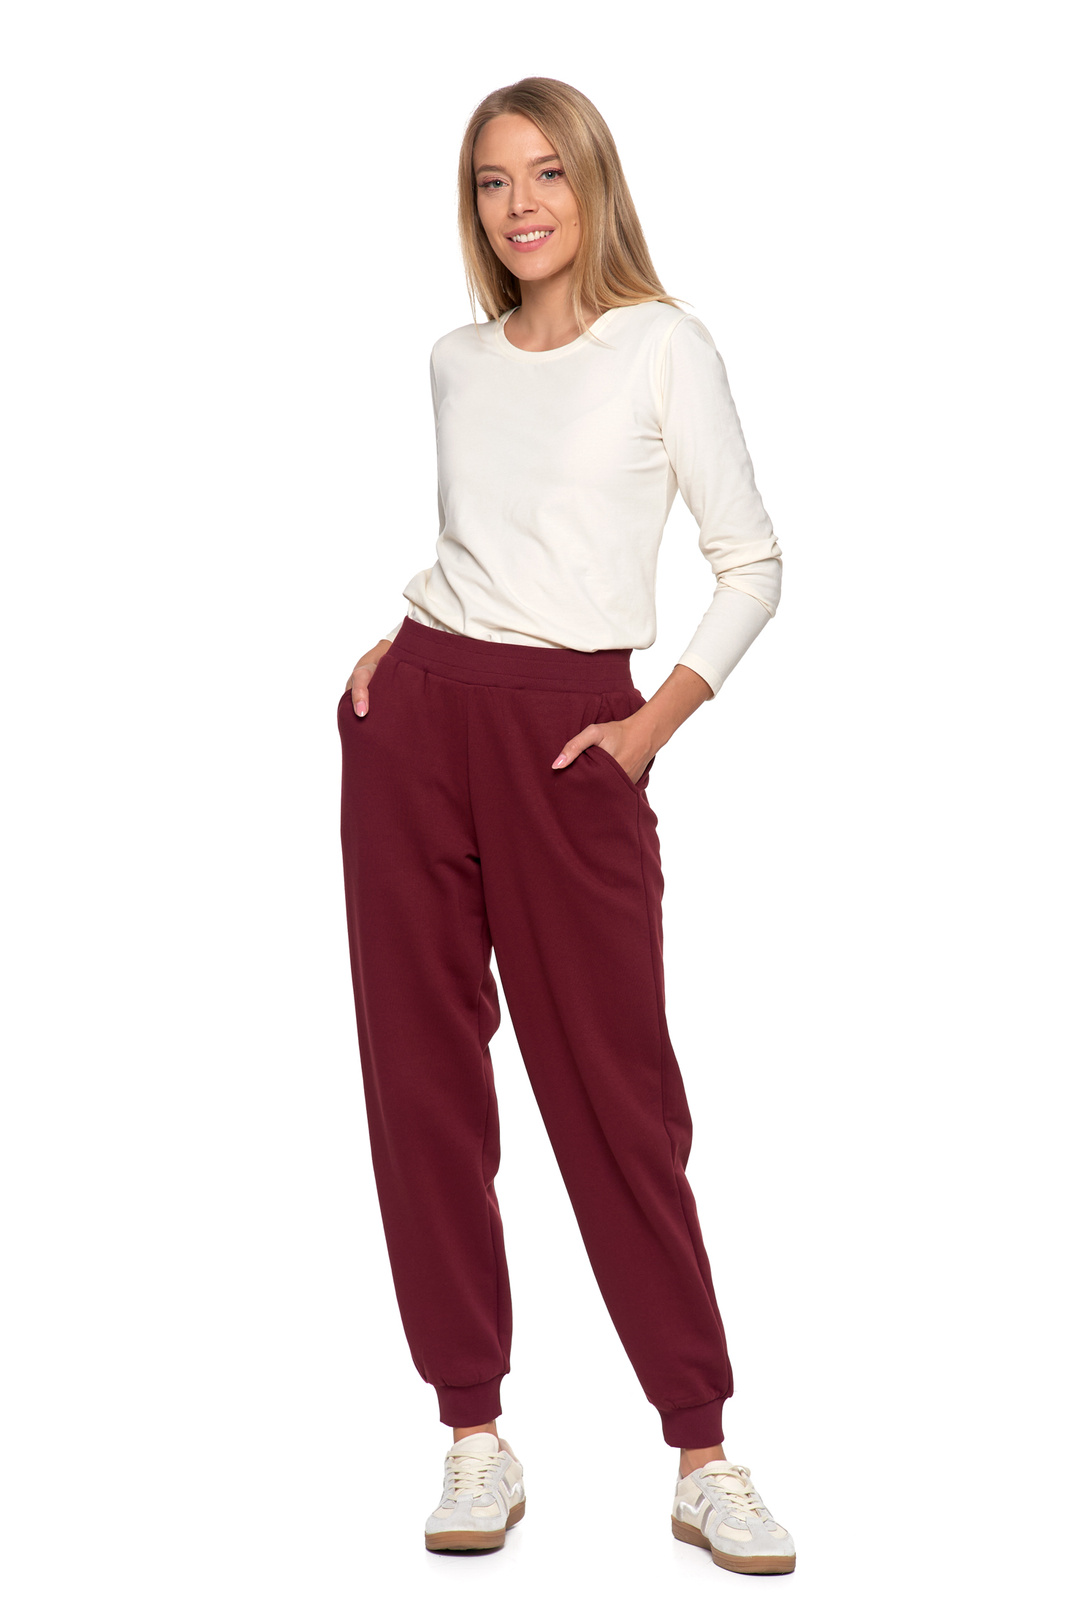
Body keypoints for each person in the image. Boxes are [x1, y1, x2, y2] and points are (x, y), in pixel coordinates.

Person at [336, 76, 795, 1575]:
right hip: (416, 724)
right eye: (491, 182)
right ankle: (472, 1430)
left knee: (617, 1096)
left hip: (572, 740)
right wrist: (403, 649)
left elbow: (751, 564)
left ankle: (702, 1450)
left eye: (545, 173)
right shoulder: (456, 361)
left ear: (593, 182)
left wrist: (649, 728)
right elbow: (488, 548)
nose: (520, 205)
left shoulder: (664, 345)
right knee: (422, 1083)